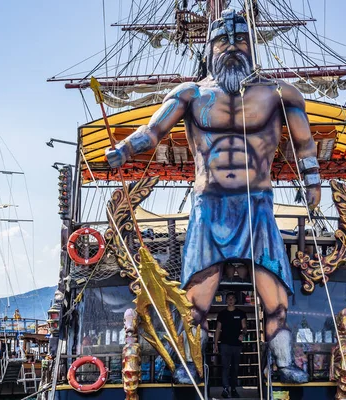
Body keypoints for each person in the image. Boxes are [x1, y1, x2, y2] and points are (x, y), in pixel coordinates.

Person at [106, 8, 320, 384]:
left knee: (277, 302)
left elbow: (304, 144)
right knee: (194, 305)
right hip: (209, 204)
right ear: (210, 46)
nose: (232, 47)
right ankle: (190, 365)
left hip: (257, 205)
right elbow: (152, 131)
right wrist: (123, 149)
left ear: (252, 46)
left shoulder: (280, 93)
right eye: (223, 40)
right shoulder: (189, 94)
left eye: (240, 39)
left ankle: (284, 364)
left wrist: (313, 182)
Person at [214, 293, 246, 398]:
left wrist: (243, 333)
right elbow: (218, 329)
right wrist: (215, 344)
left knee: (235, 368)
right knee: (225, 367)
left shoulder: (241, 313)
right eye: (228, 299)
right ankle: (225, 389)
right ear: (226, 300)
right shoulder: (222, 314)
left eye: (232, 298)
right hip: (225, 344)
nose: (230, 300)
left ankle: (233, 389)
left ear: (235, 300)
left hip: (237, 345)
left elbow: (244, 327)